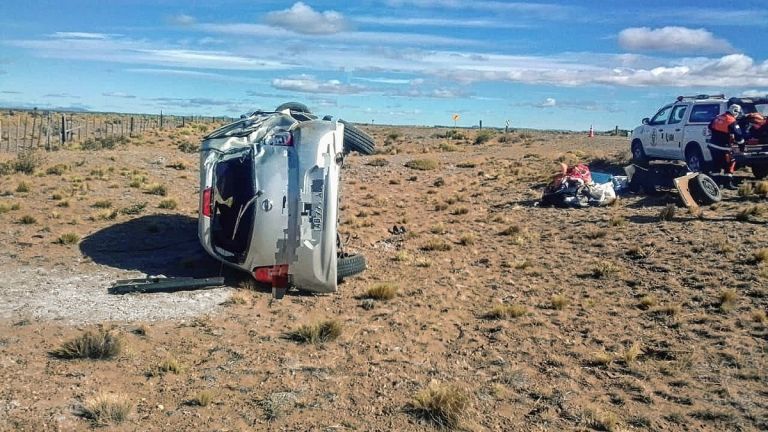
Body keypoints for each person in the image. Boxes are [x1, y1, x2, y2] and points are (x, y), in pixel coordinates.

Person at [708, 104, 745, 190]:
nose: (738, 115)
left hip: (713, 146)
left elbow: (710, 126)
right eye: (738, 113)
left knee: (716, 165)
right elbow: (739, 136)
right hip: (724, 147)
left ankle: (715, 184)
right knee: (730, 164)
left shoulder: (718, 117)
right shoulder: (731, 120)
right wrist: (742, 147)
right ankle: (727, 183)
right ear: (735, 111)